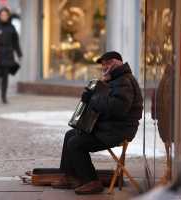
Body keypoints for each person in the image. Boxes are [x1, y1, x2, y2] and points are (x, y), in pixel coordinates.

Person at [51, 51, 143, 195]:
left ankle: (92, 181)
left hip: (118, 130)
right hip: (111, 127)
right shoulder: (116, 79)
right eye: (103, 64)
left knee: (75, 143)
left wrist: (93, 98)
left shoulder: (124, 81)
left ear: (117, 63)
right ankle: (73, 177)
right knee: (70, 134)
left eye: (108, 63)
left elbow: (118, 107)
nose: (105, 66)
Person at [0, 7, 22, 103]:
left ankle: (3, 95)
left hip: (8, 54)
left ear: (8, 16)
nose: (4, 17)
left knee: (5, 76)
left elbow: (16, 42)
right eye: (2, 15)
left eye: (6, 15)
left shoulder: (11, 28)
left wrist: (19, 54)